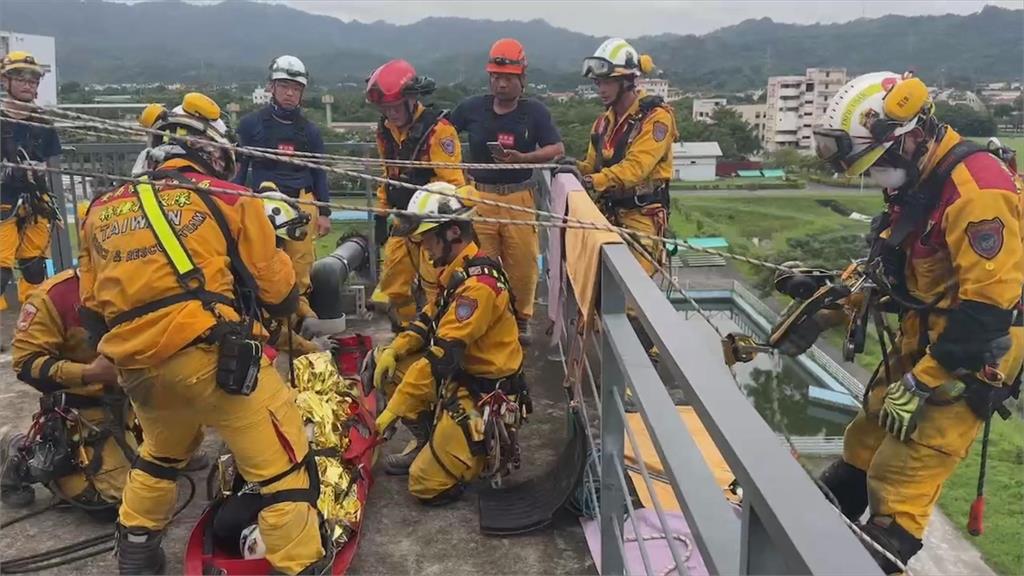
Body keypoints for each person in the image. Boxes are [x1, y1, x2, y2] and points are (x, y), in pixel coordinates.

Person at [775, 71, 1024, 573]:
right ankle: (798, 552)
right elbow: (892, 264)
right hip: (926, 330)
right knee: (864, 442)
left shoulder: (976, 192)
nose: (877, 175)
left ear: (909, 133)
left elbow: (988, 310)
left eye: (880, 162)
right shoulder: (918, 181)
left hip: (975, 351)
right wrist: (829, 300)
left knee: (900, 476)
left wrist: (921, 381)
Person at [79, 93, 327, 574]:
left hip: (137, 370)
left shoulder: (99, 210)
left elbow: (91, 311)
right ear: (211, 150)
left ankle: (136, 551)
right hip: (213, 360)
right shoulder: (229, 197)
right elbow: (277, 292)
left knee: (160, 454)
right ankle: (300, 564)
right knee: (284, 467)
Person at [2, 267, 208, 515]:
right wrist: (89, 373)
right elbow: (25, 364)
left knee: (173, 462)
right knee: (117, 502)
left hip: (142, 399)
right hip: (88, 410)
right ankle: (24, 450)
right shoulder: (54, 296)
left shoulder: (149, 280)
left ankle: (150, 445)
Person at [372, 183, 527, 503]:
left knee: (423, 485)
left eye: (427, 239)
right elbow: (429, 319)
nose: (424, 249)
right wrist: (395, 349)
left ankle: (475, 454)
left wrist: (394, 410)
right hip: (462, 379)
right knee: (384, 365)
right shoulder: (458, 272)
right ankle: (434, 441)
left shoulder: (478, 287)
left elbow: (440, 357)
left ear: (453, 232)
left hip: (484, 396)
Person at [449, 38, 564, 345]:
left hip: (519, 197)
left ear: (522, 79)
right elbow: (442, 132)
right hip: (480, 196)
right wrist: (452, 172)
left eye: (508, 78)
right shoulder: (473, 108)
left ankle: (521, 319)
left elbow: (556, 147)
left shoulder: (534, 113)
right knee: (478, 263)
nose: (501, 84)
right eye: (496, 77)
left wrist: (524, 159)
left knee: (523, 265)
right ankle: (482, 317)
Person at [366, 59, 466, 330]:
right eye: (386, 109)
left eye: (396, 107)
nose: (391, 114)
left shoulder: (438, 131)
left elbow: (452, 184)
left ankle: (440, 334)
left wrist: (446, 228)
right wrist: (381, 212)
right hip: (402, 220)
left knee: (436, 285)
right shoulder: (385, 131)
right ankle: (410, 331)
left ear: (412, 99)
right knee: (393, 286)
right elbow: (388, 173)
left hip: (431, 223)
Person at [569, 38, 677, 278]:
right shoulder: (602, 124)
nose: (601, 89)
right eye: (598, 82)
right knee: (595, 290)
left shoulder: (656, 119)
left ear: (627, 81)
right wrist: (572, 167)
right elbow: (593, 166)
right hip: (607, 215)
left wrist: (590, 181)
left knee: (631, 299)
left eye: (608, 82)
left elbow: (636, 168)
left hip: (641, 218)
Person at [234, 55, 330, 322]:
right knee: (263, 261)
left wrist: (325, 212)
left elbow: (319, 172)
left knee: (301, 263)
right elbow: (240, 170)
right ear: (271, 87)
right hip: (262, 204)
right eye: (284, 86)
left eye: (296, 89)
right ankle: (268, 315)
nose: (290, 93)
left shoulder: (310, 132)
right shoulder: (250, 126)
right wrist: (229, 203)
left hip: (302, 201)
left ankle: (300, 311)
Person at [0, 50, 62, 310]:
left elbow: (53, 166)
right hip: (3, 201)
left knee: (35, 268)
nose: (28, 85)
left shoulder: (43, 124)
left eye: (33, 81)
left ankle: (35, 323)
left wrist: (45, 186)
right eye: (22, 79)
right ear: (6, 82)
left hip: (36, 201)